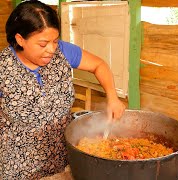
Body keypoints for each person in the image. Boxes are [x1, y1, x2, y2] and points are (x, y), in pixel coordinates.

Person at [0, 0, 126, 179]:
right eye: (43, 44)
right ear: (20, 39)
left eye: (55, 41)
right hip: (20, 164)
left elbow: (99, 65)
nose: (51, 49)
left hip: (62, 156)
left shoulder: (64, 52)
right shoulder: (3, 68)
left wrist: (112, 97)